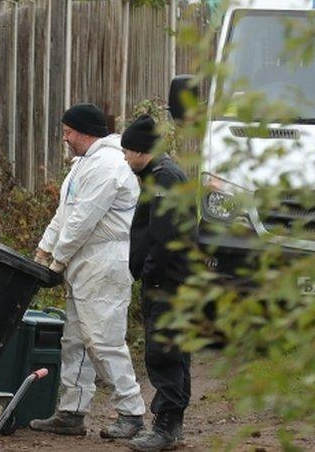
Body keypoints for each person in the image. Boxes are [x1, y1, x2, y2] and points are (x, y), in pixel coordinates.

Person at [28, 103, 146, 439]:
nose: (64, 138)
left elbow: (83, 221)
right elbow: (65, 213)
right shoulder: (84, 165)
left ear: (84, 131)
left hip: (105, 261)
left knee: (104, 339)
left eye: (68, 132)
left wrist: (58, 259)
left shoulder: (108, 165)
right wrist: (44, 249)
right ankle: (72, 411)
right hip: (85, 261)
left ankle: (132, 412)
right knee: (75, 340)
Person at [120, 114, 192, 452]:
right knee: (174, 351)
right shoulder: (161, 174)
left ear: (139, 150)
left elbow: (163, 238)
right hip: (175, 280)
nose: (123, 157)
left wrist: (149, 272)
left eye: (126, 151)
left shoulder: (163, 178)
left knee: (163, 352)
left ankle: (165, 428)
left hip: (167, 281)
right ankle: (172, 426)